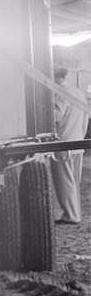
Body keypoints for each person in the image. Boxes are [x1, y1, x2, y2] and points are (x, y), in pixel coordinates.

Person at [50, 66, 86, 225]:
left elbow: (56, 116)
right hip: (78, 141)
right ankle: (74, 212)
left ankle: (71, 215)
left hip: (64, 142)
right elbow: (86, 119)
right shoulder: (77, 92)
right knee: (74, 181)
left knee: (65, 181)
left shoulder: (60, 93)